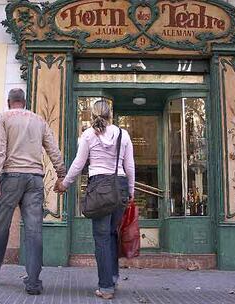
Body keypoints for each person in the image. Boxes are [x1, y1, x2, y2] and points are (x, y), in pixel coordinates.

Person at [0, 88, 66, 295]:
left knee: (0, 227)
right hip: (35, 179)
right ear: (24, 102)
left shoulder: (4, 117)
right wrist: (61, 172)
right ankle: (33, 282)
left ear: (8, 102)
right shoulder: (38, 120)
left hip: (11, 177)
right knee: (34, 231)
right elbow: (52, 148)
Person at [55, 100, 135, 300]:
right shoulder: (122, 134)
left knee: (101, 238)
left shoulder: (88, 135)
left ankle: (106, 287)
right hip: (120, 187)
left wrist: (65, 183)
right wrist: (131, 191)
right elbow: (130, 166)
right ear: (111, 114)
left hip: (99, 187)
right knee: (112, 234)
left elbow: (78, 164)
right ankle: (113, 277)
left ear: (92, 115)